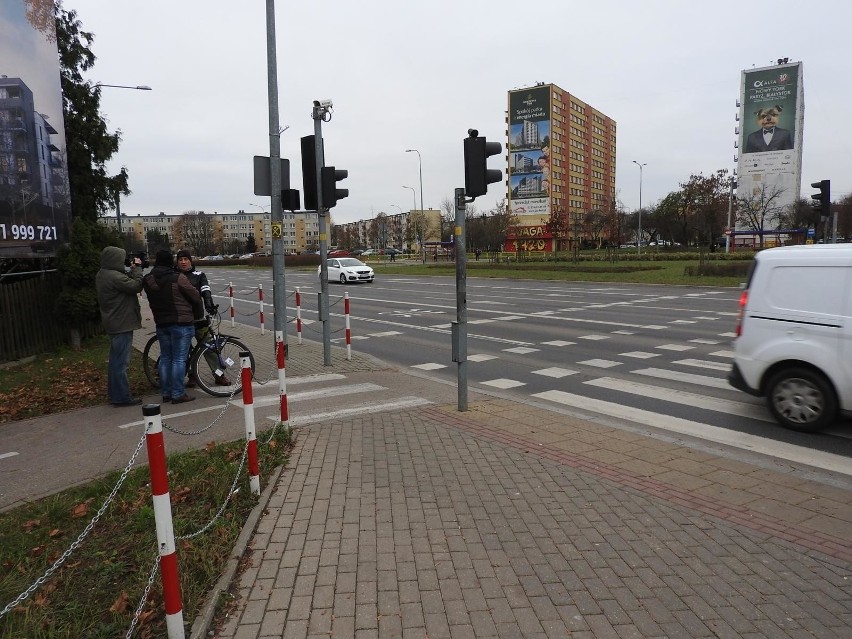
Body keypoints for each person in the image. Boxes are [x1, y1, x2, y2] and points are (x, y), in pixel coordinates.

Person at [143, 250, 200, 404]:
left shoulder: (148, 279)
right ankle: (178, 393)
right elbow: (195, 295)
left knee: (165, 358)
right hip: (181, 322)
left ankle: (166, 392)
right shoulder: (178, 278)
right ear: (171, 262)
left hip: (161, 323)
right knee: (179, 359)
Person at [95, 246, 144, 407]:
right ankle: (122, 397)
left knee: (115, 361)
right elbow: (136, 286)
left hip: (113, 322)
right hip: (121, 323)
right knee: (121, 363)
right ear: (114, 260)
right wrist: (137, 269)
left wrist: (130, 269)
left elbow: (124, 280)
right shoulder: (115, 277)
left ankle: (114, 394)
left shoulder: (103, 274)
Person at [175, 249, 231, 386]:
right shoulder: (174, 275)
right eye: (180, 260)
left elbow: (205, 289)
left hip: (198, 316)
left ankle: (218, 374)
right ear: (177, 262)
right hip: (181, 317)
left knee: (209, 346)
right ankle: (192, 375)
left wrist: (208, 302)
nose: (183, 262)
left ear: (190, 261)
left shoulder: (199, 275)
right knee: (186, 349)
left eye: (185, 259)